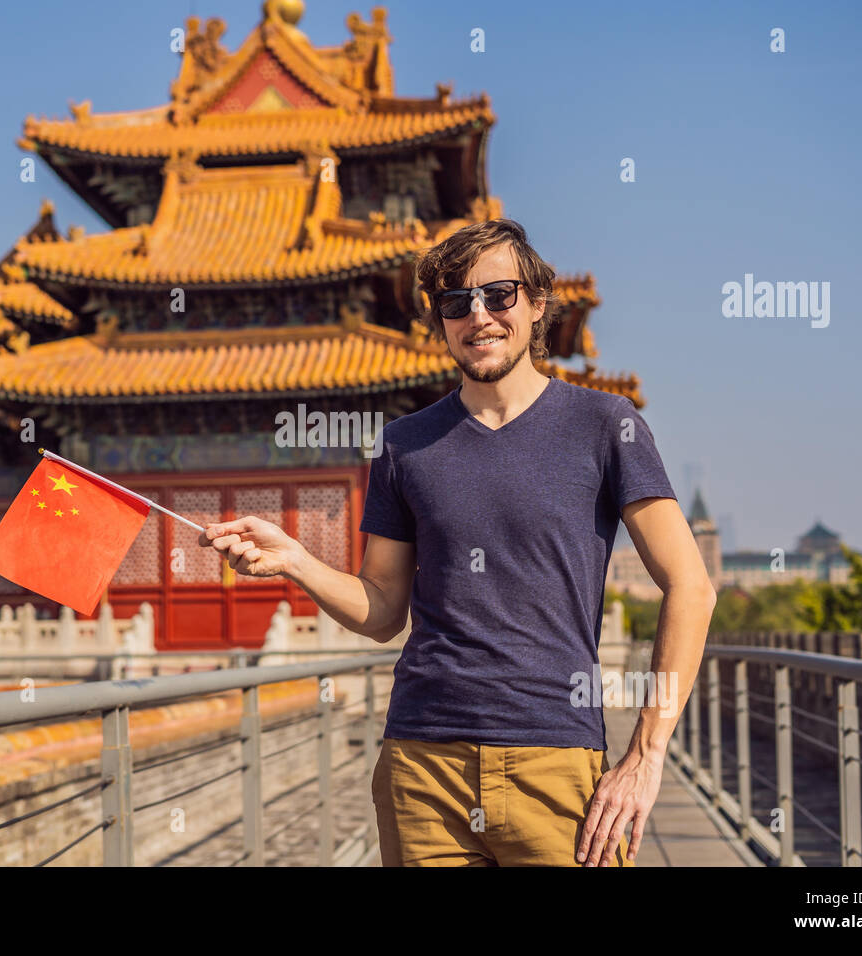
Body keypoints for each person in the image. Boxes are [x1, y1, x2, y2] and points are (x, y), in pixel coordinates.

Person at [200, 218, 714, 866]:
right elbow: (384, 607)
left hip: (556, 762)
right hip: (423, 767)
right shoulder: (404, 445)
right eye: (455, 303)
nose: (480, 317)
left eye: (498, 295)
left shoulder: (605, 426)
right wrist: (297, 562)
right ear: (440, 322)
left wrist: (645, 754)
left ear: (535, 304)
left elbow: (690, 587)